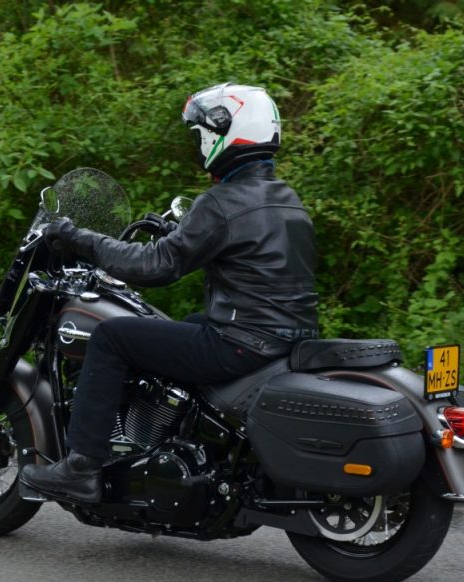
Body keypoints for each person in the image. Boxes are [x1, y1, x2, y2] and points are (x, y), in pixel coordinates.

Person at [19, 82, 319, 503]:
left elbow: (153, 266)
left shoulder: (222, 202)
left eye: (201, 134)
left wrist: (79, 238)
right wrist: (178, 233)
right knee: (186, 326)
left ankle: (82, 466)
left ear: (225, 133)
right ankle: (176, 438)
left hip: (240, 344)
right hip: (284, 338)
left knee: (112, 336)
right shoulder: (287, 199)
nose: (198, 145)